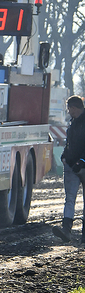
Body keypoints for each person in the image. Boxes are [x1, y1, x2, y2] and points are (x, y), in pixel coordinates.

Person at [53, 95, 85, 243]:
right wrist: (64, 156)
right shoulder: (72, 123)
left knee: (72, 199)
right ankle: (66, 230)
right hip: (72, 167)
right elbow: (69, 143)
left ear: (73, 108)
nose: (68, 112)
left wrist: (82, 161)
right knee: (69, 198)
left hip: (81, 166)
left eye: (69, 109)